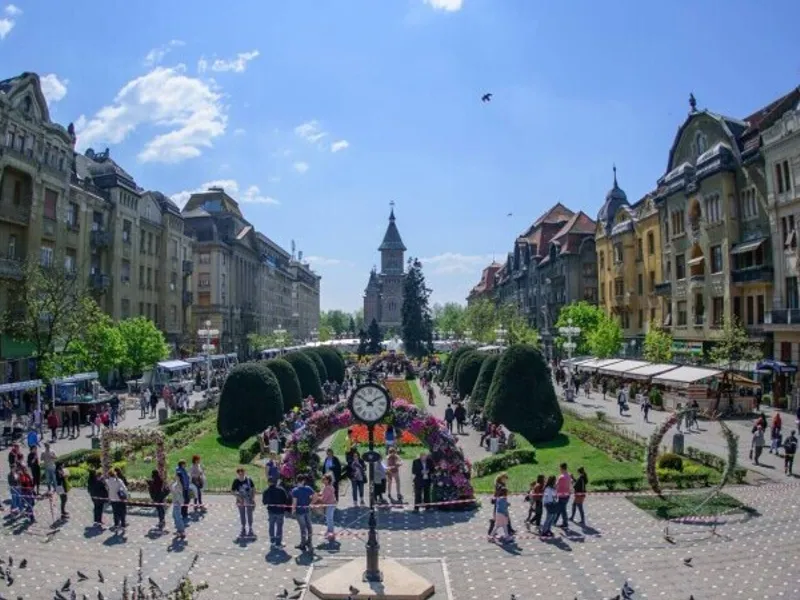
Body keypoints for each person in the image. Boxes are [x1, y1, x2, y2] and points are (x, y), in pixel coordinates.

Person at [262, 477, 290, 549]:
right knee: (279, 527)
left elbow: (264, 502)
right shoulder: (281, 490)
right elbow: (286, 500)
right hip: (280, 511)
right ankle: (278, 542)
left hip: (271, 511)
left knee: (271, 525)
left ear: (268, 482)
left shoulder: (266, 491)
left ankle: (272, 541)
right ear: (276, 482)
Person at [291, 474, 315, 553]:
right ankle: (310, 541)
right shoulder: (308, 488)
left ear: (297, 481)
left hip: (299, 512)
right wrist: (311, 503)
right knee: (309, 526)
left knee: (303, 528)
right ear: (303, 481)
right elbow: (315, 497)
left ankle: (303, 544)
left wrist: (293, 510)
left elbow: (294, 502)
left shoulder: (295, 490)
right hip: (307, 510)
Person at [231, 468, 256, 538]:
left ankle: (250, 528)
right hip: (240, 500)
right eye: (239, 473)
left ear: (244, 472)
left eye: (242, 472)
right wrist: (238, 497)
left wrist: (253, 498)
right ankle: (243, 528)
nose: (241, 474)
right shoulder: (236, 481)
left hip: (248, 499)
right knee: (242, 514)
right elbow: (232, 491)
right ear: (238, 473)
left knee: (249, 514)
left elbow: (253, 489)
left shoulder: (249, 479)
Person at [317, 473, 337, 541]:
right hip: (332, 504)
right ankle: (329, 531)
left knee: (329, 519)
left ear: (328, 480)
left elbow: (324, 499)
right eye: (323, 479)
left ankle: (331, 533)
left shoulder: (327, 488)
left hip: (330, 505)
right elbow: (323, 494)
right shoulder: (329, 486)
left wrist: (317, 498)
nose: (323, 480)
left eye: (324, 479)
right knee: (329, 518)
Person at [555, 462, 572, 528]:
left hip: (562, 496)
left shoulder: (561, 477)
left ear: (561, 468)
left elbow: (556, 486)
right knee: (561, 509)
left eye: (560, 468)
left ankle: (565, 523)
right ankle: (555, 521)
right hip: (567, 495)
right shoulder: (568, 475)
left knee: (562, 510)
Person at [170, 472, 186, 539]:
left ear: (178, 477)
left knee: (178, 516)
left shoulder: (179, 484)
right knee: (174, 515)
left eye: (176, 475)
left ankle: (181, 531)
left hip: (177, 502)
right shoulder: (175, 483)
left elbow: (176, 492)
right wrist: (170, 485)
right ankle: (179, 530)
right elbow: (172, 491)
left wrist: (172, 486)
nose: (174, 476)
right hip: (175, 501)